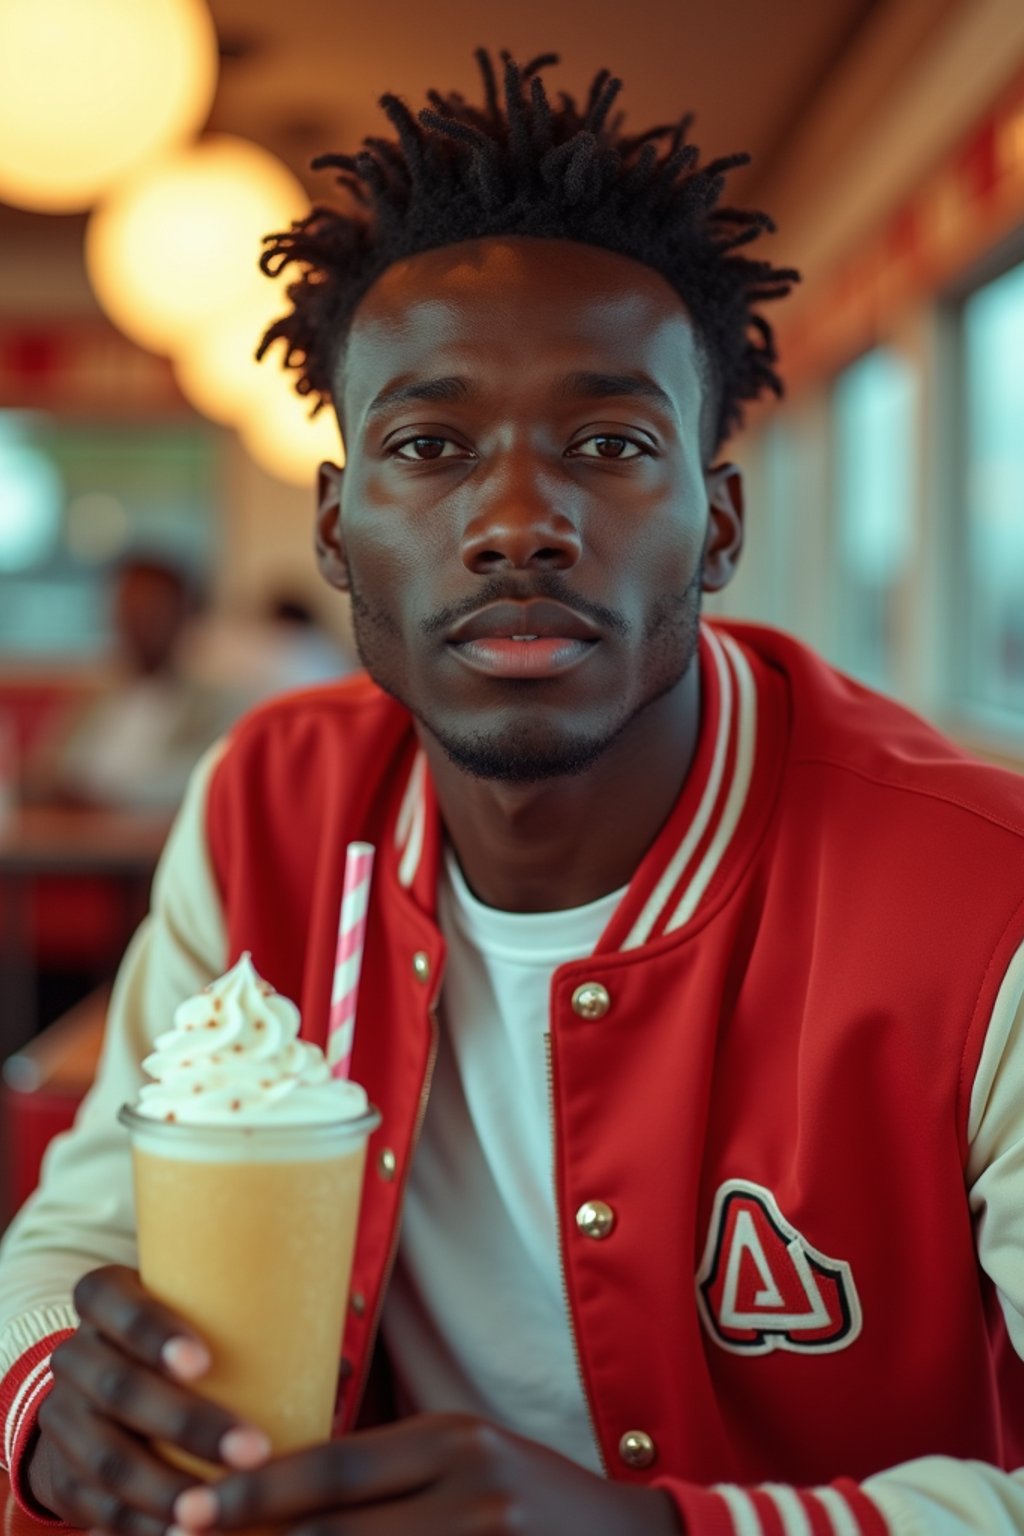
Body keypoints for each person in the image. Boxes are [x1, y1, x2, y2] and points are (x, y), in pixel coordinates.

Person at [1, 48, 1022, 1536]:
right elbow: (87, 1215)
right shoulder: (273, 805)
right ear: (338, 529)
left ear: (717, 524)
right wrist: (51, 1390)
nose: (519, 523)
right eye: (428, 447)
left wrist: (660, 1531)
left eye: (609, 445)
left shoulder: (980, 894)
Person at [24, 555, 234, 812]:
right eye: (129, 608)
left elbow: (200, 778)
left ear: (182, 613)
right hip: (69, 836)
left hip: (147, 842)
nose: (137, 622)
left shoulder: (217, 702)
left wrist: (101, 793)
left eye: (151, 609)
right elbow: (48, 765)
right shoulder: (93, 695)